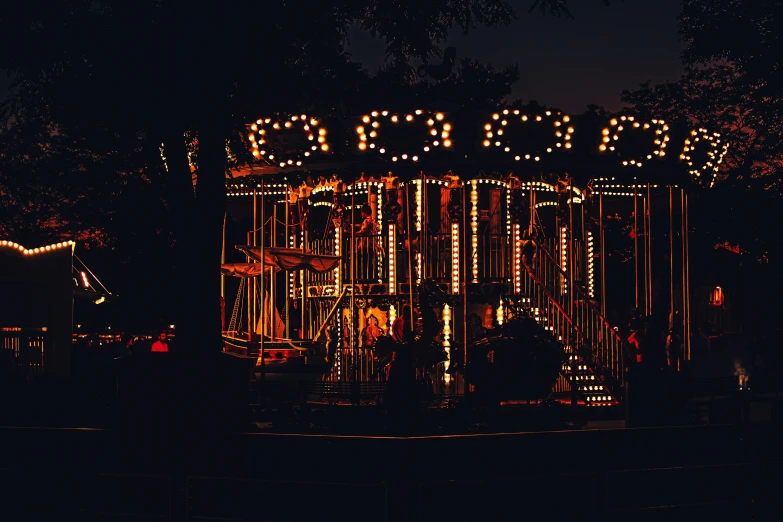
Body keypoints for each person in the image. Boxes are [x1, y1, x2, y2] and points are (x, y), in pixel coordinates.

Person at [354, 203, 379, 282]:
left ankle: (363, 279)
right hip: (372, 245)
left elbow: (363, 231)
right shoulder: (374, 221)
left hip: (365, 245)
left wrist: (354, 233)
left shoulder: (366, 221)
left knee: (363, 263)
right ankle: (371, 278)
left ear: (364, 212)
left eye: (362, 212)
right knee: (370, 263)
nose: (361, 214)